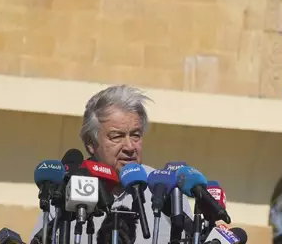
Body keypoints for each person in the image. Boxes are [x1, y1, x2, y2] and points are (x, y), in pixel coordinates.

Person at [29, 85, 192, 244]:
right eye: (116, 137)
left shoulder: (165, 189)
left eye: (135, 135)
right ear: (90, 143)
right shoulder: (65, 191)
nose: (129, 147)